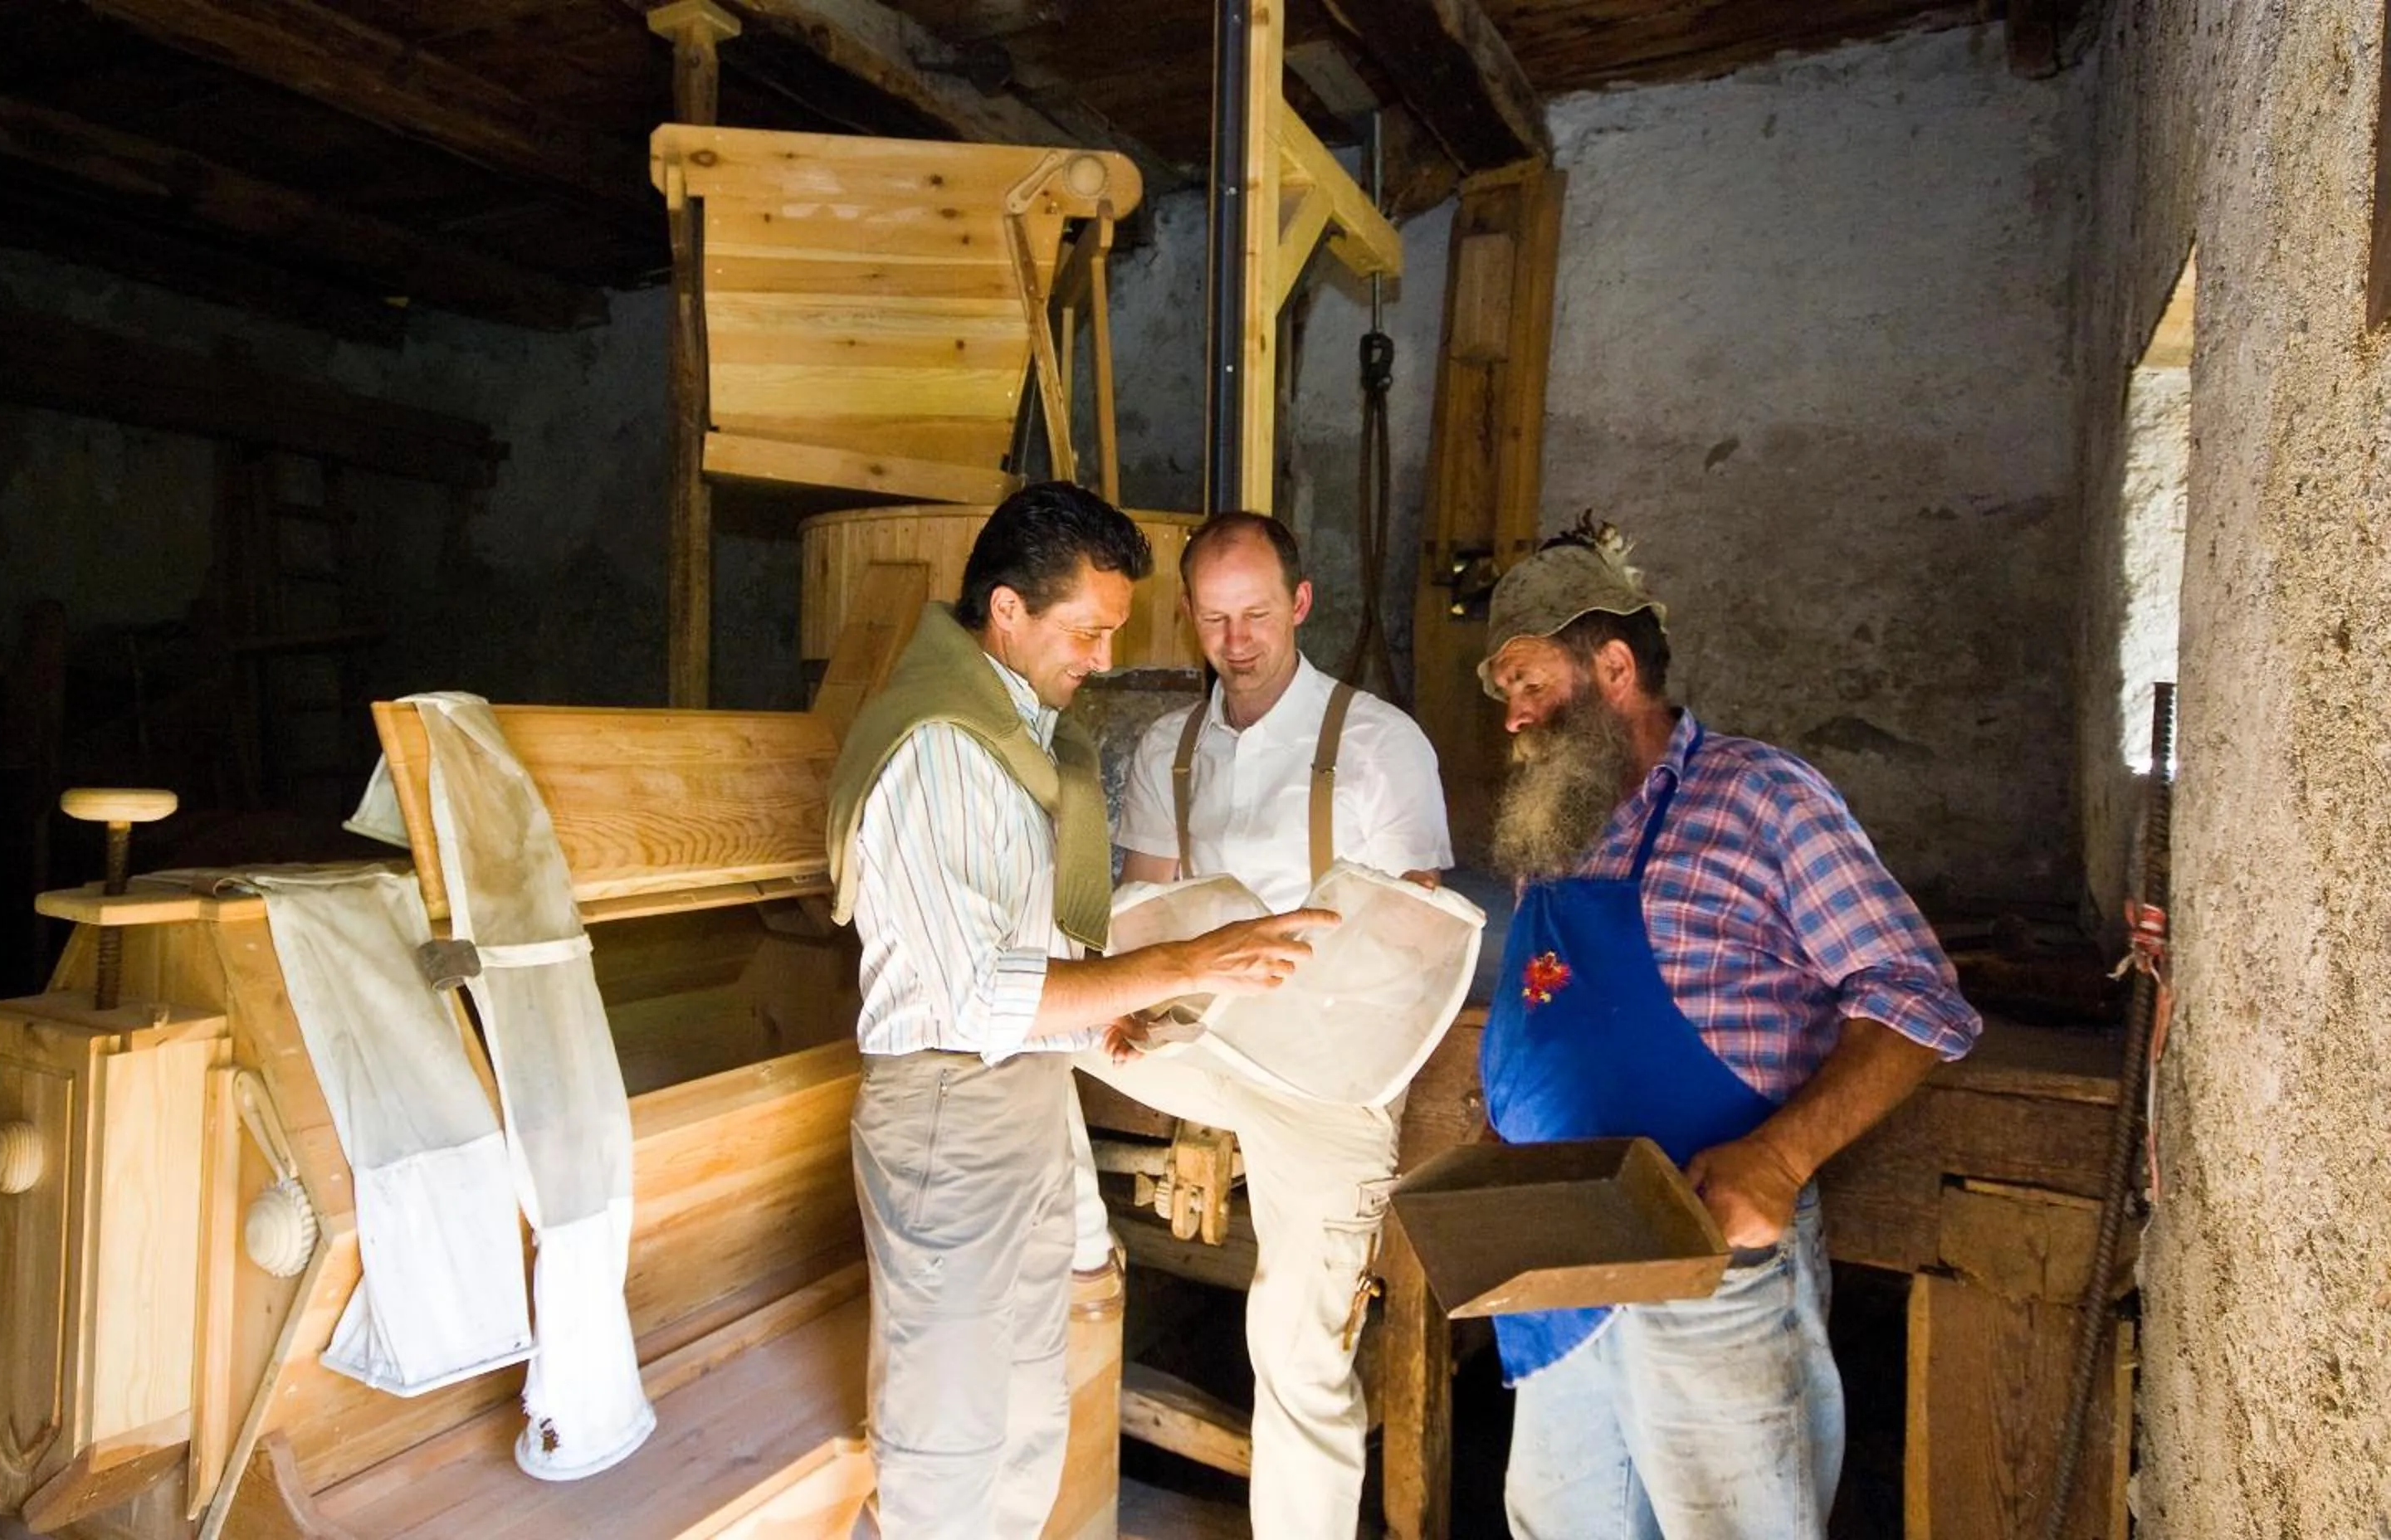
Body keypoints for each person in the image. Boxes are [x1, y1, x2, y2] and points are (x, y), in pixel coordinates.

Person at [824, 484, 1335, 1540]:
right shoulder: (940, 749)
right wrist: (1186, 959)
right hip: (946, 1113)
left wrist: (1096, 1012)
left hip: (1016, 1096)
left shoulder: (1014, 739)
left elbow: (1020, 962)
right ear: (1006, 611)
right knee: (948, 1438)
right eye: (1089, 631)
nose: (1106, 659)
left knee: (1023, 1414)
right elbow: (972, 995)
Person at [1474, 519, 1984, 1540]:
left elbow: (1915, 995)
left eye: (1530, 686)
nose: (1515, 721)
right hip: (1560, 1262)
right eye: (1505, 699)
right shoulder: (1556, 828)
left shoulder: (1761, 798)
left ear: (1613, 665)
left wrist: (1782, 1155)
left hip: (1708, 1250)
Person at [1079, 511, 1452, 1539]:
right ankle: (1070, 1251)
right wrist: (1134, 991)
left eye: (1254, 613)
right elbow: (1146, 905)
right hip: (1207, 1036)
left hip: (1332, 1065)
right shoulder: (1171, 745)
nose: (1235, 640)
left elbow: (1416, 936)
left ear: (1299, 603)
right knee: (1022, 1022)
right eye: (1212, 618)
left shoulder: (1380, 744)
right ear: (1189, 618)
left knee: (1299, 1350)